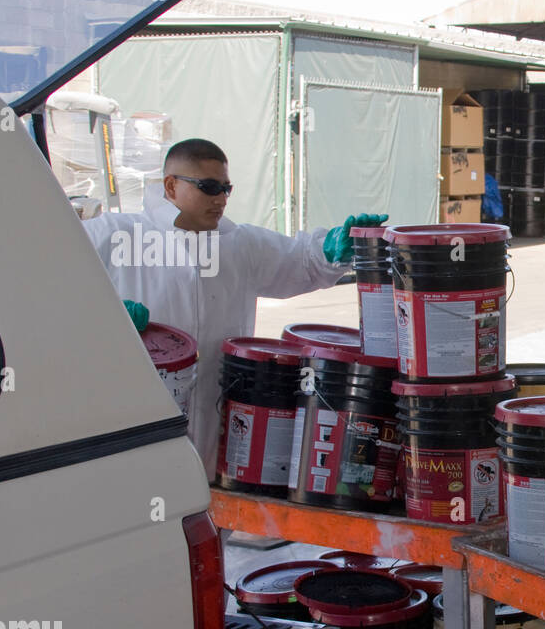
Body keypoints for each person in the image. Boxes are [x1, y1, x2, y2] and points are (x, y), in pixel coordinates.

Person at [82, 137, 384, 481]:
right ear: (171, 186)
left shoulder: (239, 245)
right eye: (210, 187)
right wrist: (102, 314)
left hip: (214, 426)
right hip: (134, 424)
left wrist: (331, 251)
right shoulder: (114, 235)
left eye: (227, 188)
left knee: (206, 515)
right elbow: (42, 280)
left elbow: (299, 261)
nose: (221, 199)